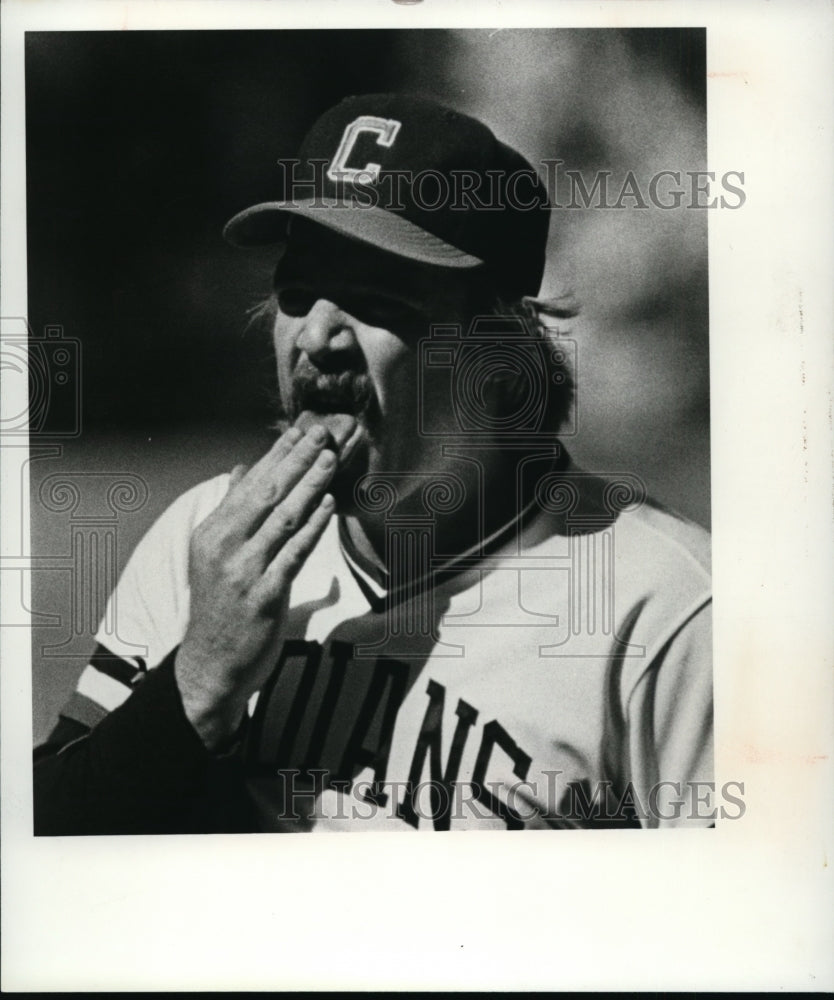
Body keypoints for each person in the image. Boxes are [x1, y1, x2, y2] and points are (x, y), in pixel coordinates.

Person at [33, 93, 713, 834]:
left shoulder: (668, 609)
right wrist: (197, 682)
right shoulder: (207, 545)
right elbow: (46, 860)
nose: (317, 333)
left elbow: (741, 928)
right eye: (298, 289)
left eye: (376, 295)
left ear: (498, 348)